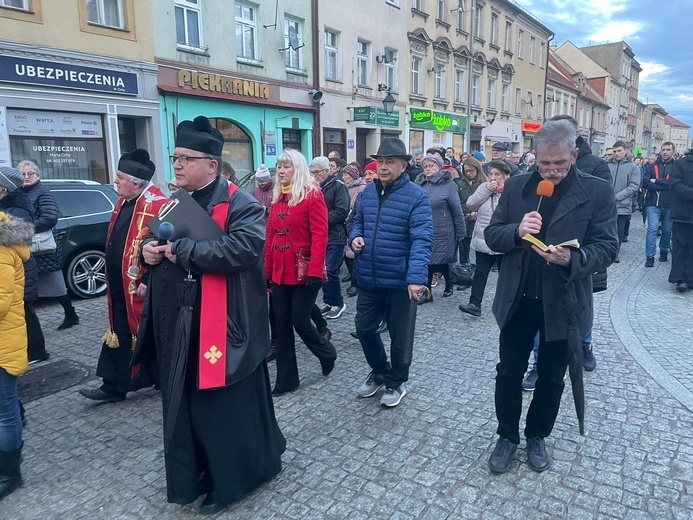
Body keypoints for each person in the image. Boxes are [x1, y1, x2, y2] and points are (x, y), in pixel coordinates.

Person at [134, 116, 285, 514]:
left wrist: (183, 251)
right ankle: (201, 470)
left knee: (223, 408)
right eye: (175, 157)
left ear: (213, 165)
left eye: (186, 158)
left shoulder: (242, 203)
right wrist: (147, 251)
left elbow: (242, 251)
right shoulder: (172, 201)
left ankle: (237, 477)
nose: (177, 165)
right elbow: (155, 236)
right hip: (181, 324)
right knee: (189, 405)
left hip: (225, 324)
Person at [484, 119, 618, 474]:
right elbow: (493, 235)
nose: (553, 171)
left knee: (551, 375)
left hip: (563, 302)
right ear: (535, 157)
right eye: (545, 164)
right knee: (509, 371)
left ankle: (537, 435)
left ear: (573, 154)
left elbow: (607, 247)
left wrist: (573, 258)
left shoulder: (597, 191)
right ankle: (507, 435)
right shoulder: (515, 187)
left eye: (560, 163)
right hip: (518, 298)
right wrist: (516, 231)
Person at [79, 150, 168, 403]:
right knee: (122, 332)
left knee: (149, 334)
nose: (115, 181)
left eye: (119, 177)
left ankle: (115, 387)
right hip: (120, 286)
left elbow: (162, 247)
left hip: (141, 288)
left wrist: (148, 281)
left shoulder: (157, 205)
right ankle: (118, 384)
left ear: (136, 182)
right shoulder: (124, 201)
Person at [350, 138, 433, 407]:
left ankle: (396, 381)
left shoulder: (417, 197)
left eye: (389, 162)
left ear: (403, 166)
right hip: (370, 276)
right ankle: (380, 370)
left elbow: (422, 239)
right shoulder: (367, 193)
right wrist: (356, 236)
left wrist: (416, 278)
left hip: (400, 280)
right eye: (380, 162)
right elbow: (356, 220)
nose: (382, 167)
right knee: (364, 329)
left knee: (400, 337)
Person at [265, 149, 337, 396]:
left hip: (305, 270)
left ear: (298, 168)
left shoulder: (312, 195)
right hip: (280, 271)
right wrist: (267, 271)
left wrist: (316, 270)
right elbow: (270, 237)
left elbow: (320, 235)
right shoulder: (277, 197)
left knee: (299, 320)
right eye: (279, 167)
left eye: (286, 166)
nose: (281, 171)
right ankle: (287, 379)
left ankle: (326, 352)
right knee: (281, 326)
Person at [18, 160, 79, 330]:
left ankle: (70, 313)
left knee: (56, 285)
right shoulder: (19, 193)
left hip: (44, 248)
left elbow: (50, 218)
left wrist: (21, 228)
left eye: (31, 173)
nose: (27, 177)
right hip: (28, 246)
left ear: (37, 176)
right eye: (23, 174)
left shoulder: (42, 192)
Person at [0, 210, 33, 502]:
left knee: (4, 411)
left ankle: (10, 473)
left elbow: (1, 301)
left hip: (2, 343)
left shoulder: (1, 247)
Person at [0, 168, 45, 365]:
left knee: (25, 310)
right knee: (24, 310)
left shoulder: (16, 208)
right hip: (16, 267)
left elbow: (19, 241)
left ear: (4, 187)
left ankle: (36, 351)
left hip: (20, 267)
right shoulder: (11, 203)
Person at [459, 161, 510, 317]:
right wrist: (487, 191)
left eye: (497, 174)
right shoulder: (484, 187)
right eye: (491, 174)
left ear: (506, 176)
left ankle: (507, 306)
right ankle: (474, 304)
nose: (493, 178)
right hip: (484, 237)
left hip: (503, 238)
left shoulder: (511, 189)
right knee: (481, 273)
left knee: (506, 276)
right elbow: (470, 204)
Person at [416, 153, 465, 303]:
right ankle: (427, 293)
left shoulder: (449, 185)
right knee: (427, 261)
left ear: (439, 167)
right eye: (425, 166)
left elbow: (457, 210)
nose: (428, 169)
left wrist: (461, 231)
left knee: (443, 261)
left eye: (431, 166)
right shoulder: (419, 184)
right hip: (424, 229)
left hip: (444, 230)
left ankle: (449, 284)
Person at [309, 156, 349, 319]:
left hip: (335, 235)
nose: (314, 175)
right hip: (319, 236)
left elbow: (341, 211)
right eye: (312, 172)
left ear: (327, 171)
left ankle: (338, 303)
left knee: (331, 270)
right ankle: (328, 301)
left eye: (317, 172)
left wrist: (319, 219)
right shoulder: (313, 187)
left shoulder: (338, 186)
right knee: (322, 270)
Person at [642, 142, 675, 267]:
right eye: (663, 149)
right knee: (652, 229)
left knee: (667, 230)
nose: (665, 152)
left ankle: (664, 251)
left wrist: (656, 181)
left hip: (670, 203)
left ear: (673, 151)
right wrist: (664, 186)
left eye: (668, 149)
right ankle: (650, 256)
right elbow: (645, 182)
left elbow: (673, 183)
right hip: (652, 203)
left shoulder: (676, 167)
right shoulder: (652, 166)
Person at [608, 141, 641, 262]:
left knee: (618, 230)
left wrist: (617, 196)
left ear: (625, 151)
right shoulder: (608, 165)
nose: (617, 154)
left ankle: (615, 253)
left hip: (623, 205)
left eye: (619, 151)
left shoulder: (633, 168)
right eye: (615, 151)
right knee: (607, 229)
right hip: (608, 204)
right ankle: (607, 251)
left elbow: (634, 186)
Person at [669, 149, 693, 292]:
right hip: (682, 214)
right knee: (681, 246)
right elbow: (675, 185)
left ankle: (690, 278)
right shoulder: (681, 163)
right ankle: (679, 278)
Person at [342, 163, 366, 298]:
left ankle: (355, 281)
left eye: (346, 175)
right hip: (347, 223)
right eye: (344, 174)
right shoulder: (344, 187)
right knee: (347, 252)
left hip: (352, 222)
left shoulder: (361, 188)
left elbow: (354, 206)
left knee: (352, 253)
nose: (344, 177)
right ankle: (352, 276)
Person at [456, 157, 487, 264]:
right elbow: (458, 202)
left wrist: (478, 212)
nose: (469, 173)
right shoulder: (460, 184)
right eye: (466, 171)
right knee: (463, 249)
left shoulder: (484, 182)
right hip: (465, 219)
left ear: (477, 169)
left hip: (480, 220)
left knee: (480, 250)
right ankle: (464, 270)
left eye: (471, 170)